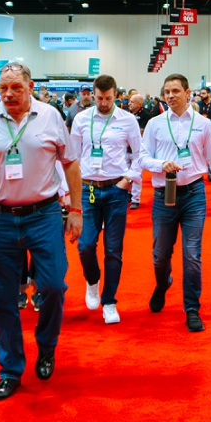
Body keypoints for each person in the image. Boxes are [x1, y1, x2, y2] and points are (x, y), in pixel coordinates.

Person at [0, 61, 82, 400]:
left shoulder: (51, 116)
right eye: (3, 88)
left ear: (30, 87)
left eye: (16, 88)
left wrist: (76, 210)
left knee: (54, 286)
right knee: (2, 302)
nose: (9, 94)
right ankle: (11, 368)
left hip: (43, 215)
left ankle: (46, 346)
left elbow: (70, 162)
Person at [139, 74, 211, 333]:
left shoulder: (203, 124)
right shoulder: (155, 124)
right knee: (160, 256)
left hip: (194, 195)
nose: (170, 96)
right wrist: (161, 164)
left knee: (192, 255)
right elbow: (141, 158)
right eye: (166, 92)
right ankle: (162, 284)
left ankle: (191, 308)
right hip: (164, 195)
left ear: (187, 92)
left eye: (175, 91)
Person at [70, 75, 142, 325]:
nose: (103, 103)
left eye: (108, 98)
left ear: (116, 96)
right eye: (99, 98)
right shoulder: (81, 119)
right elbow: (73, 157)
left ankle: (109, 301)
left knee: (114, 250)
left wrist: (128, 179)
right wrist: (70, 191)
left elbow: (140, 155)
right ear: (92, 94)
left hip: (115, 190)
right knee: (85, 245)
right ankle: (92, 280)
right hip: (88, 190)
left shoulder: (127, 120)